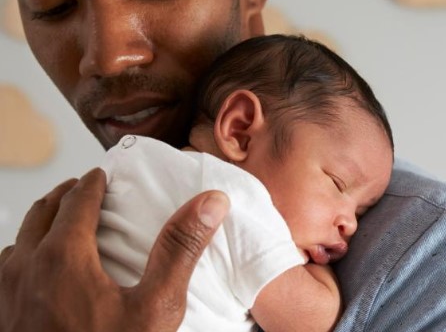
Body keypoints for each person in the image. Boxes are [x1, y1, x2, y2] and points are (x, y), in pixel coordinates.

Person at [0, 0, 445, 331]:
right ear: (238, 127)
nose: (107, 56)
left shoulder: (427, 261)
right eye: (51, 6)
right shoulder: (43, 269)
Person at [98, 34, 394, 331]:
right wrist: (322, 274)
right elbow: (312, 321)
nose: (351, 226)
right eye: (338, 183)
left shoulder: (132, 163)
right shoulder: (237, 199)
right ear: (240, 131)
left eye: (360, 213)